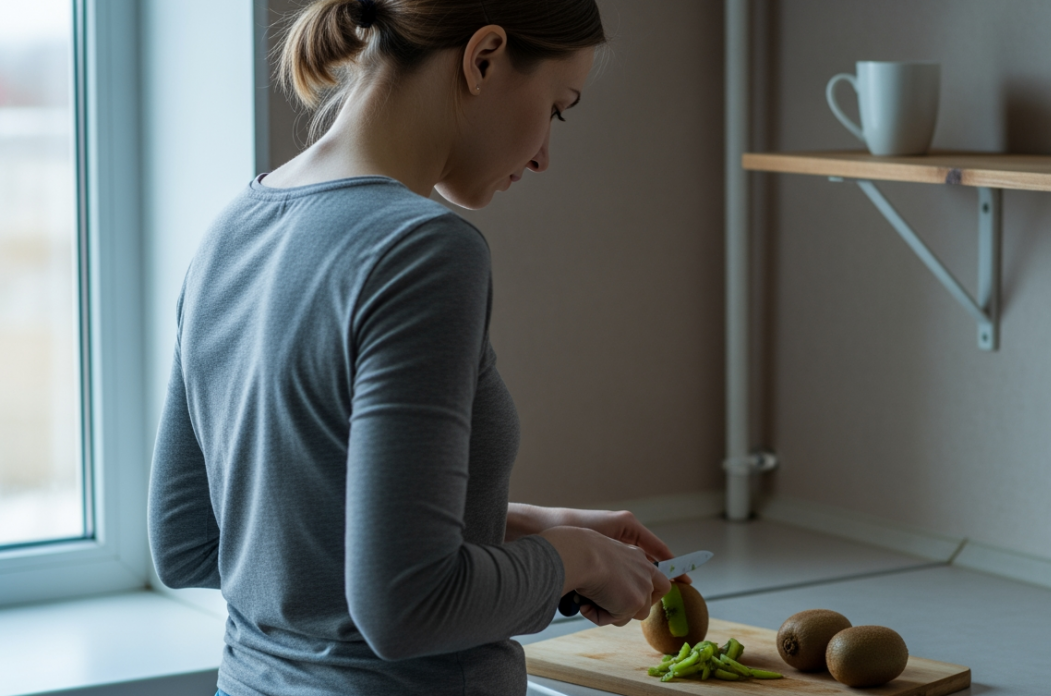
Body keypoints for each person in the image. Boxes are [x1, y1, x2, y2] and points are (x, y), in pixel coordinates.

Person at [146, 1, 679, 694]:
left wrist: (514, 526)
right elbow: (409, 606)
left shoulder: (231, 230)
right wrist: (572, 559)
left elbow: (196, 540)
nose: (546, 154)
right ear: (484, 57)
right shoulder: (422, 251)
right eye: (558, 107)